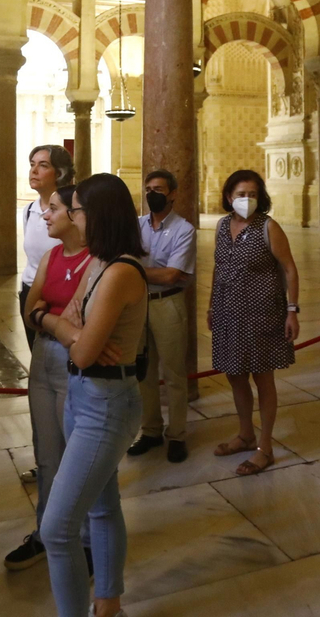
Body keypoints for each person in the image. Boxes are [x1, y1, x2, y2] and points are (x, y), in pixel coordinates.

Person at [33, 173, 148, 617]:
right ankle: (109, 604)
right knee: (102, 506)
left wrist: (56, 324)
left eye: (76, 208)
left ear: (95, 215)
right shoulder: (97, 261)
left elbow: (81, 350)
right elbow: (72, 321)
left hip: (107, 402)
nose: (69, 214)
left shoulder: (120, 270)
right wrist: (66, 325)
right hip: (83, 393)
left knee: (58, 529)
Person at [6, 185, 91, 572]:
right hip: (44, 358)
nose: (45, 215)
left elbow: (82, 329)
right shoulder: (52, 256)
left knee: (78, 455)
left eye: (54, 209)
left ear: (76, 215)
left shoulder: (100, 261)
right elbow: (29, 309)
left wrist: (46, 317)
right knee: (47, 453)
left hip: (75, 363)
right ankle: (45, 531)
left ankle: (86, 540)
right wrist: (51, 320)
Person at [209, 170, 301, 476]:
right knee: (235, 374)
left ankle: (265, 447)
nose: (246, 200)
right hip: (227, 313)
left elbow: (289, 269)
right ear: (228, 197)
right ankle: (245, 434)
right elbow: (218, 267)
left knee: (263, 379)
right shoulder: (222, 227)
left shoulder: (268, 227)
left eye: (251, 194)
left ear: (260, 197)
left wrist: (292, 311)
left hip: (262, 314)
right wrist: (212, 305)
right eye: (240, 194)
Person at [126, 170, 196, 463]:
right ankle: (151, 430)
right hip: (139, 303)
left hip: (168, 304)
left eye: (159, 188)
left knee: (174, 373)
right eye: (149, 188)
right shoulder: (137, 225)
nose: (152, 193)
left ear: (172, 194)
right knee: (144, 371)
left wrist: (133, 270)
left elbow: (172, 274)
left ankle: (177, 435)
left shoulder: (184, 229)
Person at [20, 146, 73, 348]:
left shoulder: (71, 211)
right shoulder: (29, 211)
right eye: (32, 165)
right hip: (29, 289)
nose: (33, 171)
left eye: (43, 165)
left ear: (59, 173)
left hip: (59, 291)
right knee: (37, 352)